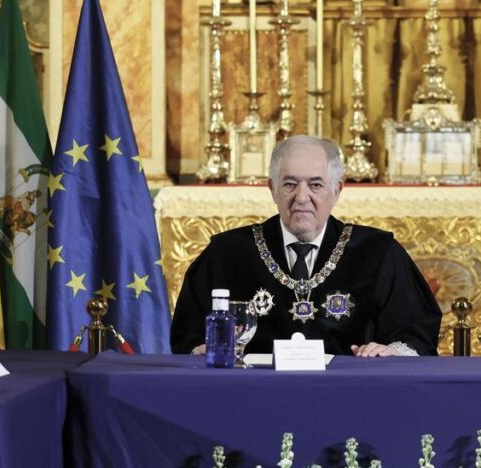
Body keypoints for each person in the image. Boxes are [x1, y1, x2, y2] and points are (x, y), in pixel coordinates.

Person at [171, 135, 441, 357]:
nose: (302, 197)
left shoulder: (378, 253)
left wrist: (391, 351)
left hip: (351, 398)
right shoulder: (226, 253)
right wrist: (207, 350)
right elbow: (188, 334)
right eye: (290, 184)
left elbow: (416, 330)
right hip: (252, 397)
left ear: (336, 191)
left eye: (315, 185)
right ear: (272, 189)